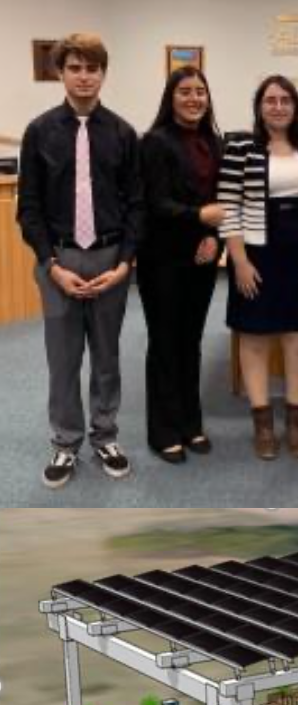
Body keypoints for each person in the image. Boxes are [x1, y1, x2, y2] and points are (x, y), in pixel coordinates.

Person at [17, 33, 142, 489]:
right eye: (74, 68)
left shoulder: (123, 133)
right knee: (64, 358)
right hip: (59, 259)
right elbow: (28, 208)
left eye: (92, 68)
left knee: (107, 356)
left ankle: (105, 436)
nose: (84, 77)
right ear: (60, 73)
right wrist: (52, 265)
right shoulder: (39, 131)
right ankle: (66, 442)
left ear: (103, 73)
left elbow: (136, 206)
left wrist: (125, 263)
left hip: (110, 258)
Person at [217, 75, 298, 460]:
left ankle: (296, 423)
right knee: (255, 339)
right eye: (270, 100)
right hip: (257, 257)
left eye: (285, 100)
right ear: (259, 107)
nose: (278, 106)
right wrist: (240, 261)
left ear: (295, 106)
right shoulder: (241, 150)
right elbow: (228, 208)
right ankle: (263, 424)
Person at [138, 66, 224, 464]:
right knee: (165, 343)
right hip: (163, 259)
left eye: (200, 92)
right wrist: (200, 219)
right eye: (185, 91)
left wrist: (214, 239)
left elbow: (224, 203)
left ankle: (191, 424)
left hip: (202, 258)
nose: (194, 98)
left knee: (190, 343)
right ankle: (163, 430)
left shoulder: (214, 142)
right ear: (171, 98)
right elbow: (157, 204)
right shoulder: (155, 142)